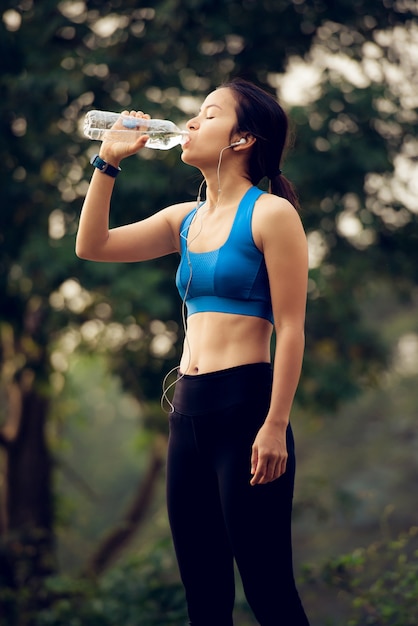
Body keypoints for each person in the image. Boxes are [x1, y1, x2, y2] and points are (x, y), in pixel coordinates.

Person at [76, 78, 310, 626]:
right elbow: (93, 245)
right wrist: (107, 162)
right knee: (204, 595)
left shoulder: (272, 215)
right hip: (189, 412)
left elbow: (293, 328)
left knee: (268, 589)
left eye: (208, 115)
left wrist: (276, 424)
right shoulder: (184, 220)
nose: (191, 123)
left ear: (243, 138)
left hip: (247, 410)